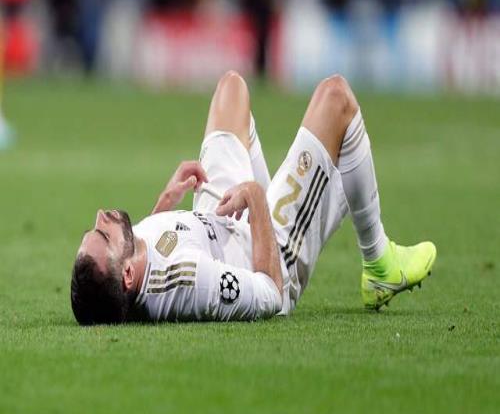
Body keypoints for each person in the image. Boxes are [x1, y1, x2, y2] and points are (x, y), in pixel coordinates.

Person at [70, 71, 436, 325]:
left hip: (217, 219)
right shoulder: (191, 281)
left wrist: (164, 206)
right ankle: (379, 264)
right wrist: (257, 200)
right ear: (128, 274)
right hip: (266, 251)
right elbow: (270, 294)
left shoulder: (133, 271)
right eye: (103, 234)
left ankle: (320, 186)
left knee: (231, 89)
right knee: (336, 96)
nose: (100, 215)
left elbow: (151, 258)